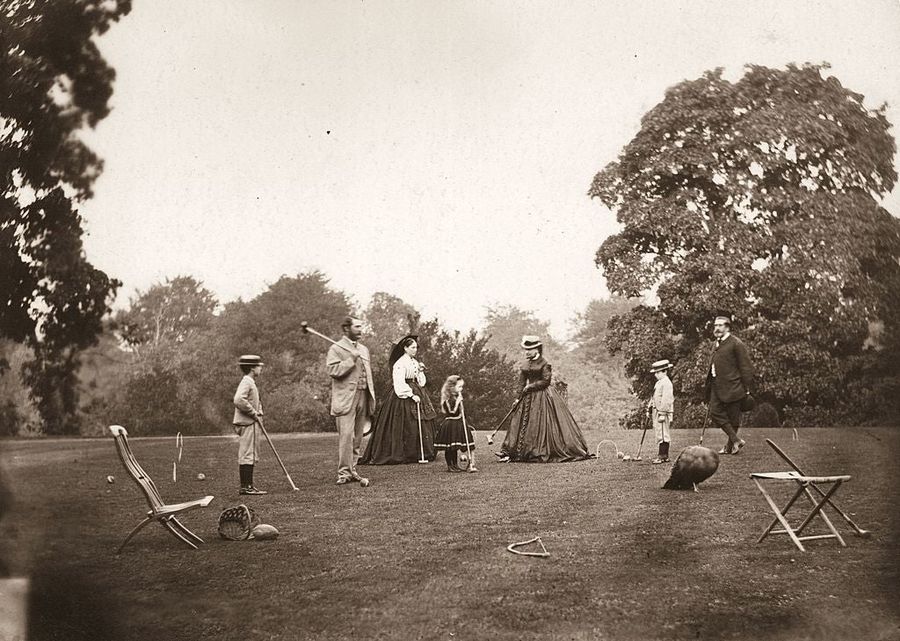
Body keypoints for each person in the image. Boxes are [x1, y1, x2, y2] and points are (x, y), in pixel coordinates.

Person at [496, 336, 591, 463]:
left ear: (537, 349)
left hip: (542, 396)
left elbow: (546, 381)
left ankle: (536, 451)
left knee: (539, 422)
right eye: (526, 349)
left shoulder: (544, 364)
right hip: (527, 397)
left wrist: (530, 386)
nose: (527, 352)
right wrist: (517, 398)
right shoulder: (524, 365)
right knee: (516, 422)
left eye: (530, 349)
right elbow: (521, 383)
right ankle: (508, 451)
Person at [360, 334, 437, 464]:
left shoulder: (415, 362)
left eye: (416, 347)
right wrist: (411, 395)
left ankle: (421, 452)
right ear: (405, 348)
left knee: (421, 422)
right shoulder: (400, 364)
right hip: (403, 395)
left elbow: (421, 382)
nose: (415, 350)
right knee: (405, 423)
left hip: (417, 391)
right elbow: (399, 383)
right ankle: (407, 453)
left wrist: (421, 371)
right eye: (412, 347)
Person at [327, 317, 376, 485]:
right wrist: (351, 360)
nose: (360, 330)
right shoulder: (336, 348)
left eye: (361, 326)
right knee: (346, 436)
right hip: (346, 398)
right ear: (346, 328)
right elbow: (333, 370)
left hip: (364, 394)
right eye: (357, 327)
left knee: (357, 437)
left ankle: (352, 469)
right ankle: (343, 473)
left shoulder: (364, 349)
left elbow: (367, 373)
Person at [705, 315, 754, 455]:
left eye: (720, 325)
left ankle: (730, 446)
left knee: (734, 418)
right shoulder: (716, 343)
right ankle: (736, 440)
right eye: (715, 325)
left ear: (727, 327)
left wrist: (746, 388)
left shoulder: (736, 344)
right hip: (716, 385)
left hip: (734, 386)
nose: (717, 328)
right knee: (714, 412)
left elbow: (746, 367)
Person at [233, 354, 267, 495]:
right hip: (248, 422)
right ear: (253, 368)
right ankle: (246, 487)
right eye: (259, 366)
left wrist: (258, 409)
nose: (261, 369)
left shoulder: (249, 382)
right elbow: (239, 399)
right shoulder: (247, 382)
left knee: (249, 453)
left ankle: (247, 486)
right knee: (248, 454)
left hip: (249, 422)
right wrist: (253, 413)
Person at [434, 375, 478, 473]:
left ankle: (455, 465)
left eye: (462, 387)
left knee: (454, 448)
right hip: (450, 425)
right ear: (452, 387)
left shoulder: (457, 397)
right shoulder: (448, 399)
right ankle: (450, 465)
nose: (461, 389)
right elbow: (451, 412)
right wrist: (458, 402)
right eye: (459, 387)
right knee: (449, 448)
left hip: (458, 423)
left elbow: (461, 412)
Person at [648, 359, 674, 464]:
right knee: (660, 433)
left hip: (662, 412)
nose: (656, 375)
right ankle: (664, 456)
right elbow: (654, 396)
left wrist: (663, 413)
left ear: (665, 371)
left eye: (658, 372)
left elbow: (667, 400)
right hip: (657, 411)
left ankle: (662, 456)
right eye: (655, 373)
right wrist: (649, 407)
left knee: (663, 434)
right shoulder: (659, 383)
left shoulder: (667, 383)